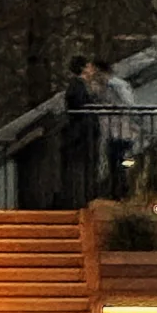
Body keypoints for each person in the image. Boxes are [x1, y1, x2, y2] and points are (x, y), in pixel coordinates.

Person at [90, 59, 138, 199]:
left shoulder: (116, 85)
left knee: (120, 160)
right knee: (114, 160)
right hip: (113, 130)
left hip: (122, 130)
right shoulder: (104, 87)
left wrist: (114, 108)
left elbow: (129, 103)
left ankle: (122, 190)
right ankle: (117, 191)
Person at [59, 55, 97, 205]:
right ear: (82, 68)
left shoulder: (75, 85)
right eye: (88, 66)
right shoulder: (78, 86)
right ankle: (82, 199)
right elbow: (79, 105)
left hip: (80, 130)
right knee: (82, 165)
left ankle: (80, 198)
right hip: (81, 132)